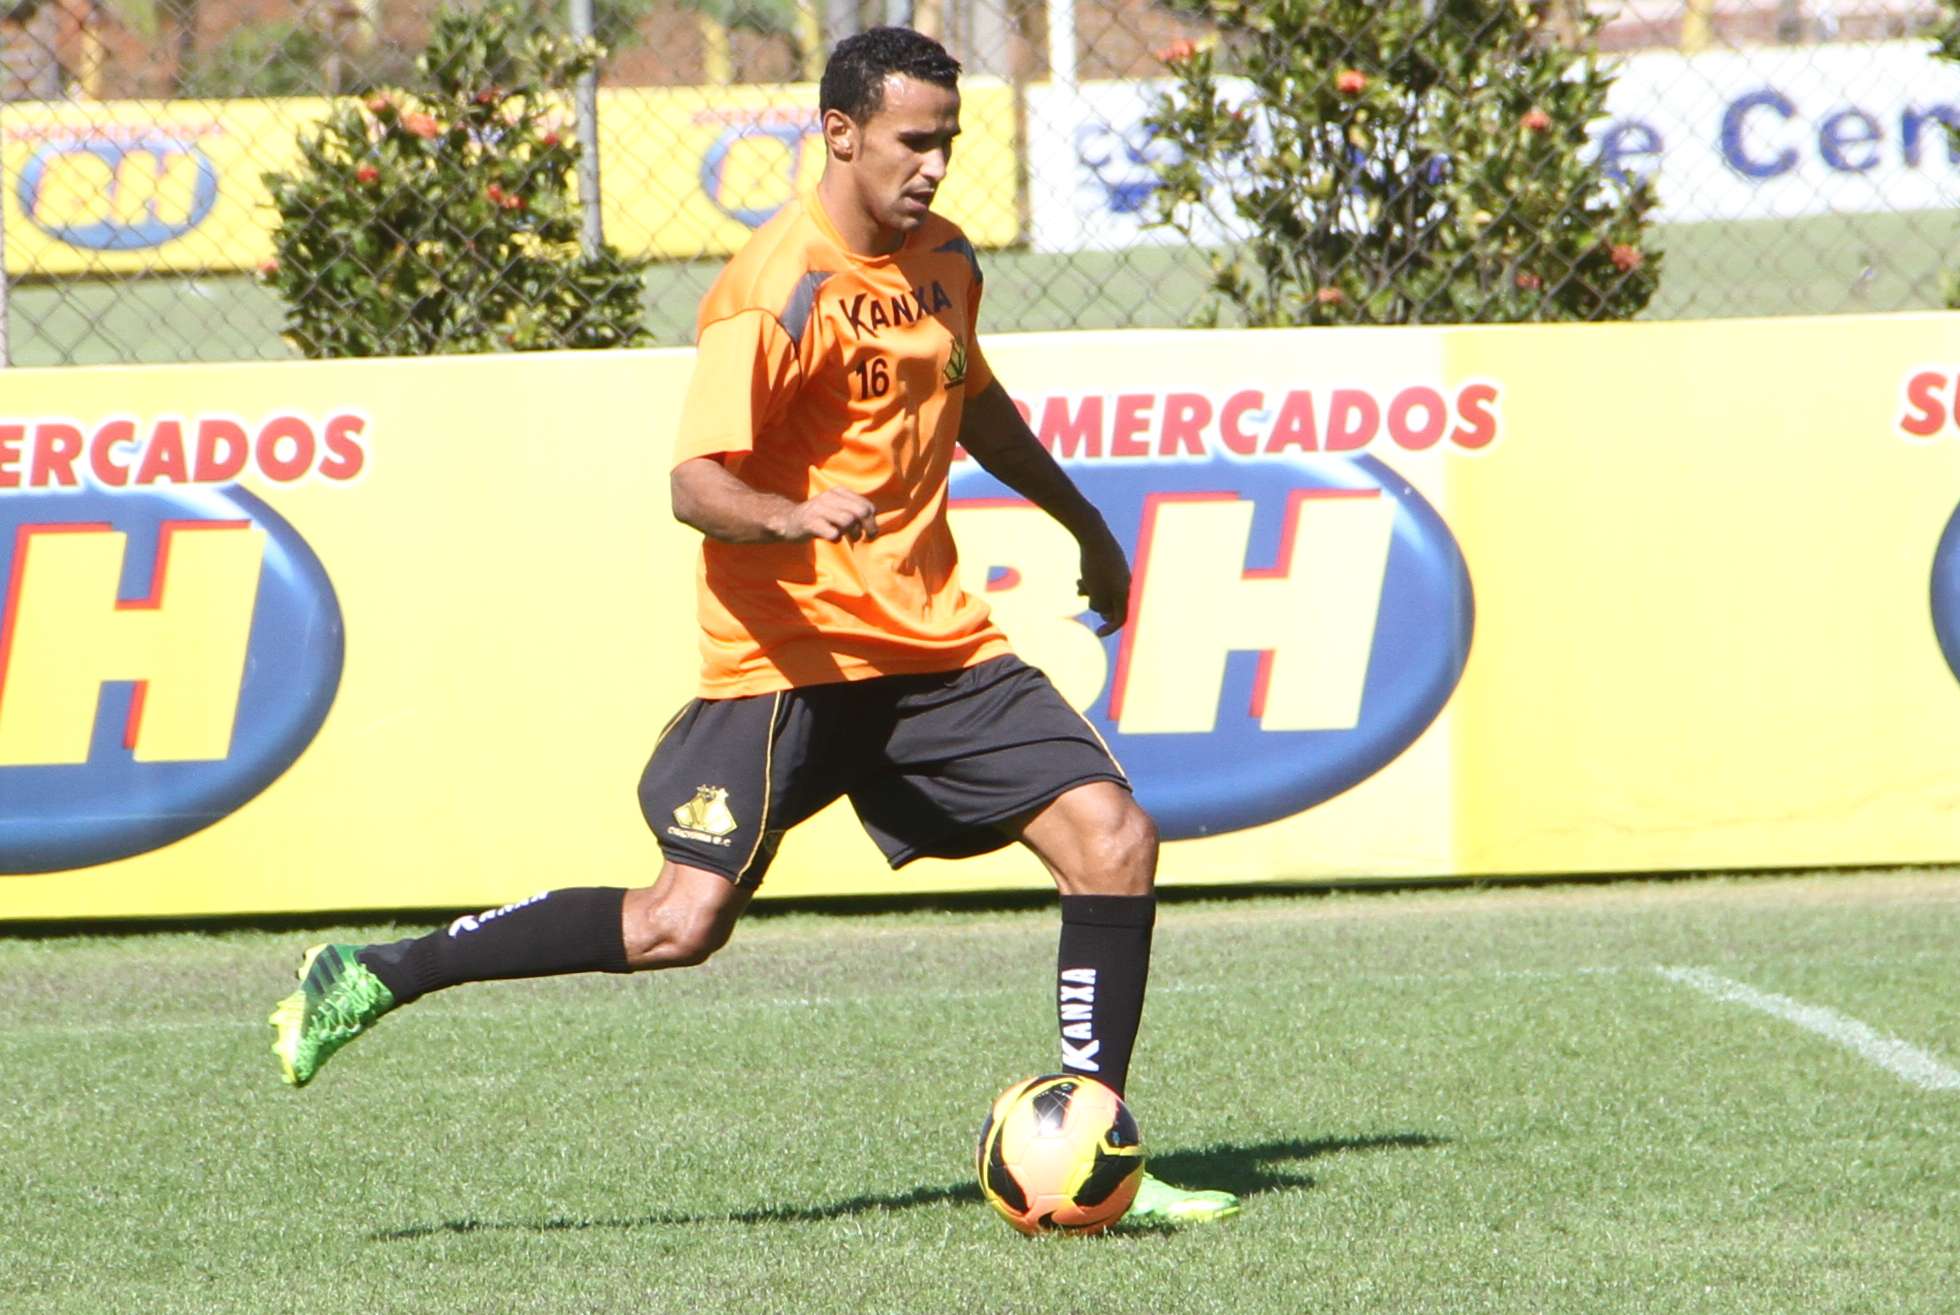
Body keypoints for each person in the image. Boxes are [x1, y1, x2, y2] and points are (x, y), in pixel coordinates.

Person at [269, 25, 1238, 1227]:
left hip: (935, 644)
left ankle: (1092, 1147)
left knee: (1113, 837)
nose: (934, 165)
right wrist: (791, 515)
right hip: (788, 656)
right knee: (678, 923)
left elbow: (974, 403)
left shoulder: (945, 258)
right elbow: (694, 484)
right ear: (841, 134)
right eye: (913, 141)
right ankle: (373, 972)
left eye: (947, 140)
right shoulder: (774, 286)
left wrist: (1085, 523)